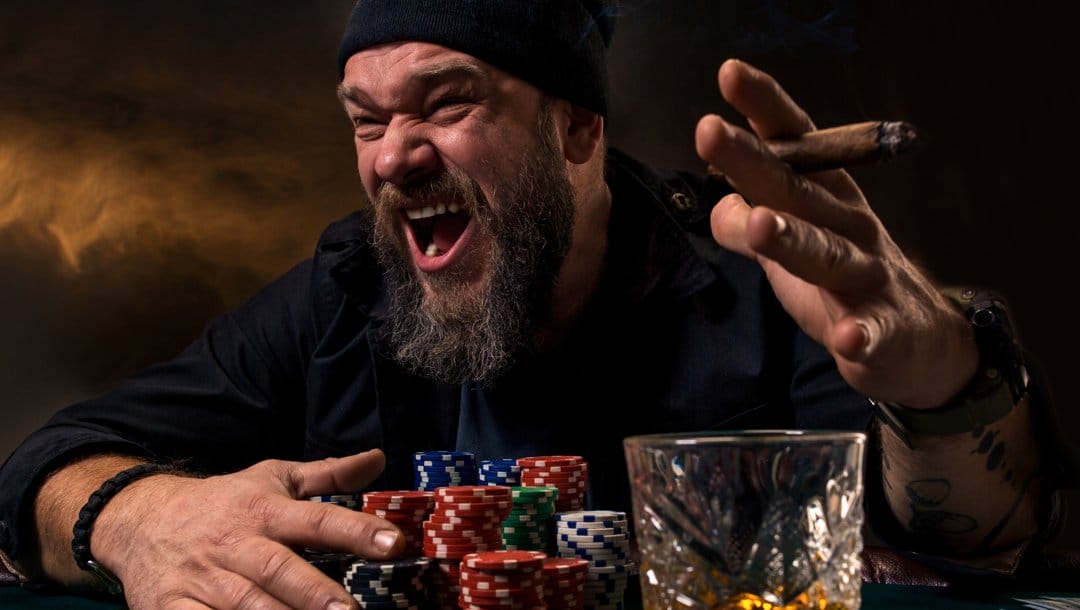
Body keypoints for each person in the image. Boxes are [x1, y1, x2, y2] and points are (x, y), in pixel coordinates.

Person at [0, 1, 1063, 608]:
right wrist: (136, 517)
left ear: (579, 132)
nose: (395, 157)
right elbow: (48, 462)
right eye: (366, 122)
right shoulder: (340, 299)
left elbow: (971, 544)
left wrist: (947, 391)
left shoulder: (773, 291)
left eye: (446, 103)